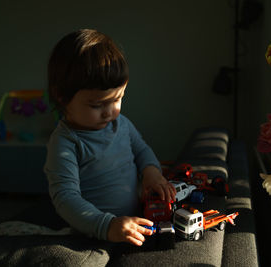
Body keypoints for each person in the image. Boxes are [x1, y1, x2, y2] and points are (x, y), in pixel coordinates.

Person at [44, 29, 176, 246]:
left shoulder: (120, 123)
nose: (109, 112)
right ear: (62, 96)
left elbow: (142, 150)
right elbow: (66, 199)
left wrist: (151, 172)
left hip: (133, 222)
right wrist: (106, 226)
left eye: (117, 99)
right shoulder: (65, 143)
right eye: (97, 105)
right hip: (94, 232)